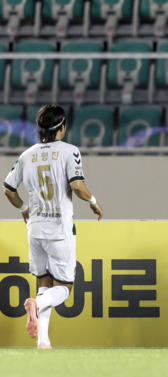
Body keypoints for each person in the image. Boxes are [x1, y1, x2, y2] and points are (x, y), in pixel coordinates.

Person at [3, 105, 104, 349]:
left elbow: (8, 189)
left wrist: (23, 209)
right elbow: (78, 186)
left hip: (35, 229)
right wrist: (93, 201)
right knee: (65, 289)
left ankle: (43, 341)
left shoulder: (27, 154)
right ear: (62, 127)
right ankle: (37, 306)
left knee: (43, 283)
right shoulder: (69, 151)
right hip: (59, 230)